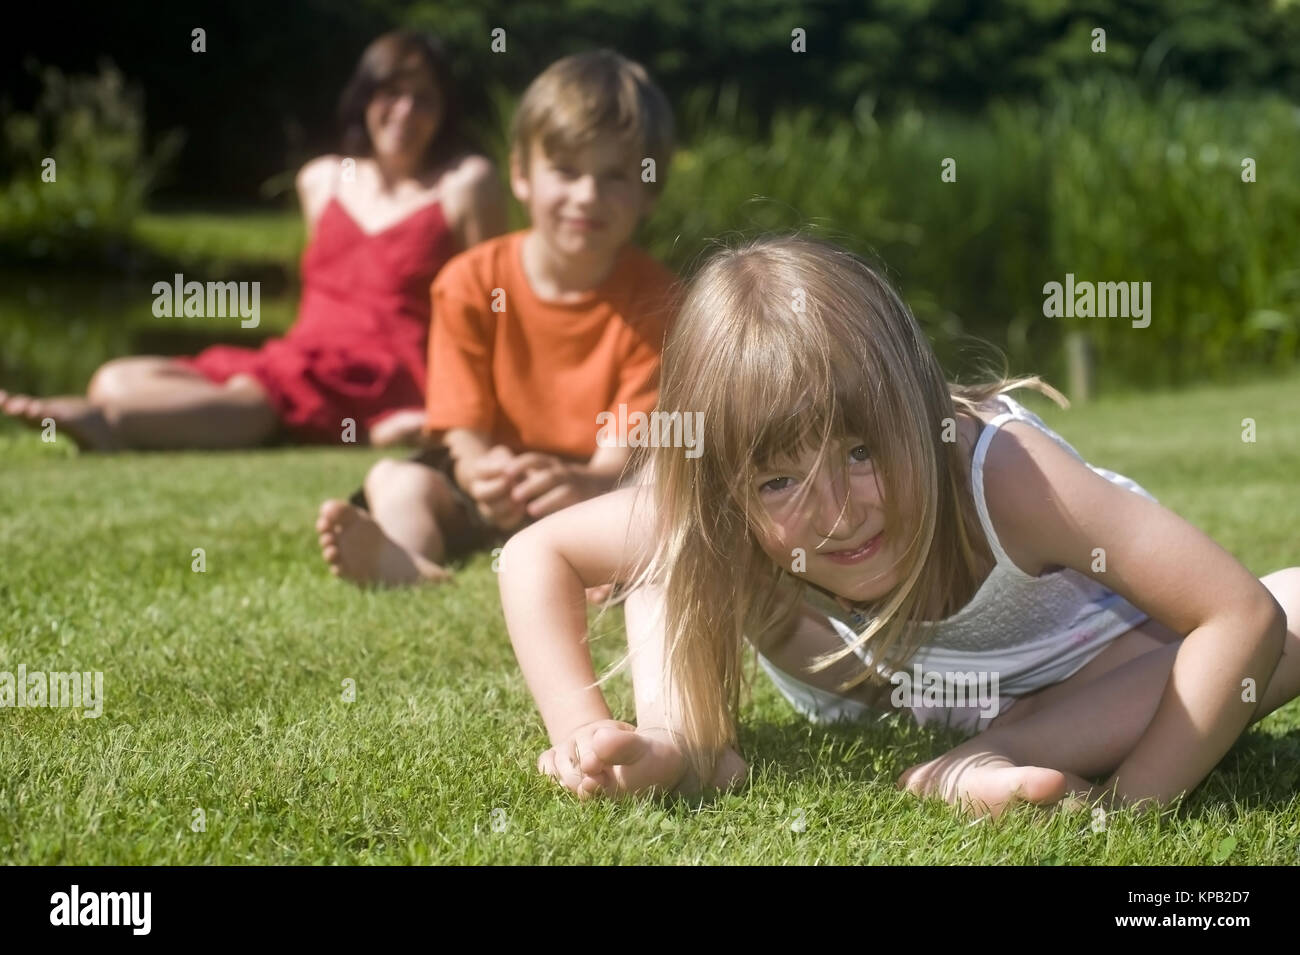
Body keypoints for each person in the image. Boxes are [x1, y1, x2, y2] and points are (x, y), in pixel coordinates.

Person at [496, 234, 1300, 819]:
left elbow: (1241, 614)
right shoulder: (720, 491)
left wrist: (1128, 810)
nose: (838, 512)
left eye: (862, 452)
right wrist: (582, 729)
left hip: (1086, 677)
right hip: (863, 677)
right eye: (780, 479)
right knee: (665, 555)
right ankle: (681, 744)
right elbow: (537, 552)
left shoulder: (1009, 475)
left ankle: (994, 757)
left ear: (924, 414)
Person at [0, 30, 506, 450]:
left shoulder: (465, 183)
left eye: (424, 98)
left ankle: (110, 427)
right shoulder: (323, 179)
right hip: (301, 354)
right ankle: (111, 413)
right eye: (390, 92)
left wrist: (449, 412)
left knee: (252, 399)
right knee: (114, 377)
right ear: (364, 98)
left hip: (384, 374)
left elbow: (492, 315)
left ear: (445, 112)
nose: (405, 111)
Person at [316, 50, 678, 587]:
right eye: (566, 170)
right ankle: (405, 560)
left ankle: (611, 562)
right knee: (397, 480)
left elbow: (619, 455)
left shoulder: (663, 302)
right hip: (488, 483)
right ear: (521, 174)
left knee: (660, 492)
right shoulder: (470, 282)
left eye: (615, 176)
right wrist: (482, 474)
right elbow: (463, 430)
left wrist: (587, 485)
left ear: (650, 190)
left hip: (599, 486)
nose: (587, 196)